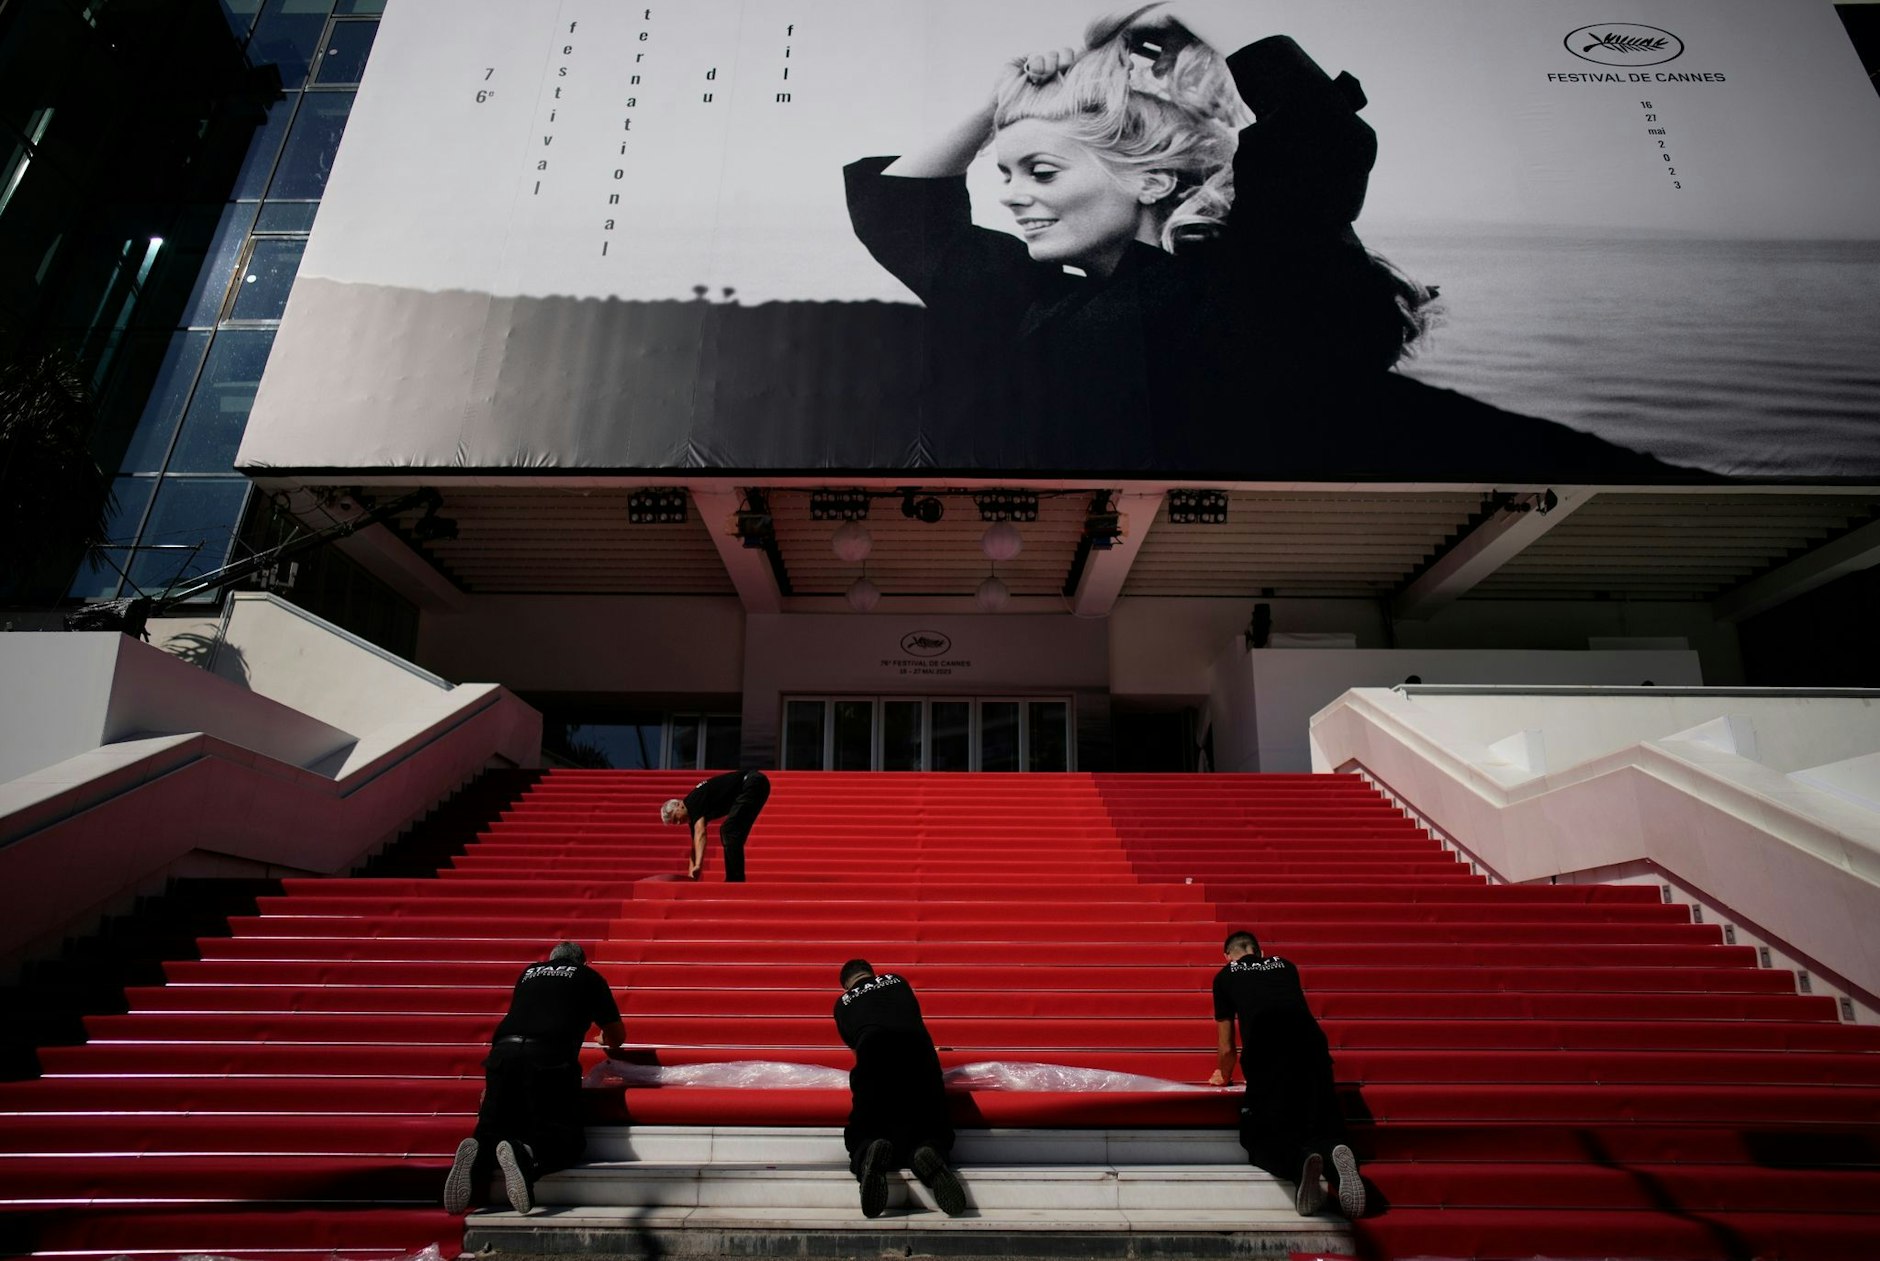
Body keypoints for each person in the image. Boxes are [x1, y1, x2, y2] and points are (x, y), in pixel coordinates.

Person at [843, 5, 1688, 480]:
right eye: (1007, 170)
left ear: (1149, 179)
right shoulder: (1038, 299)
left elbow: (1317, 136)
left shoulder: (1252, 276)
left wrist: (1180, 15)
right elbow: (901, 212)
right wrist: (1003, 104)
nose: (1011, 194)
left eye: (1041, 171)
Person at [443, 941, 626, 1216]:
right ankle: (527, 1155)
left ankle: (478, 1152)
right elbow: (617, 1036)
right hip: (548, 1057)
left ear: (550, 960)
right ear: (583, 962)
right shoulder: (588, 977)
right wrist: (604, 1039)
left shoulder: (529, 972)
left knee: (495, 1123)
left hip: (502, 1051)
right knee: (564, 1137)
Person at [1209, 928, 1365, 1218]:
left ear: (1227, 956)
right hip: (1312, 1048)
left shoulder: (1225, 976)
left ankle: (1300, 1163)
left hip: (1267, 1051)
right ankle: (1336, 1151)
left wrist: (1223, 1073)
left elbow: (1227, 1043)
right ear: (1260, 951)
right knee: (1319, 1122)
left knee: (1260, 1136)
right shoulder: (1286, 966)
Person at [833, 959, 967, 1219]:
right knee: (932, 1124)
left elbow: (854, 1044)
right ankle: (926, 1153)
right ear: (871, 973)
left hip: (875, 1053)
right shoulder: (897, 980)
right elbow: (912, 1015)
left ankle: (869, 1152)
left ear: (846, 986)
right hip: (919, 1054)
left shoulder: (842, 1003)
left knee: (862, 1129)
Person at [660, 767, 771, 882]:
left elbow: (701, 832)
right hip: (755, 785)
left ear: (679, 805)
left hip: (752, 783)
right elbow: (694, 849)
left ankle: (735, 880)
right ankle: (735, 879)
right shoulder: (693, 814)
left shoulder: (692, 802)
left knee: (729, 830)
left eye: (676, 819)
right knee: (732, 832)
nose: (679, 823)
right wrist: (691, 877)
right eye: (675, 823)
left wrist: (698, 865)